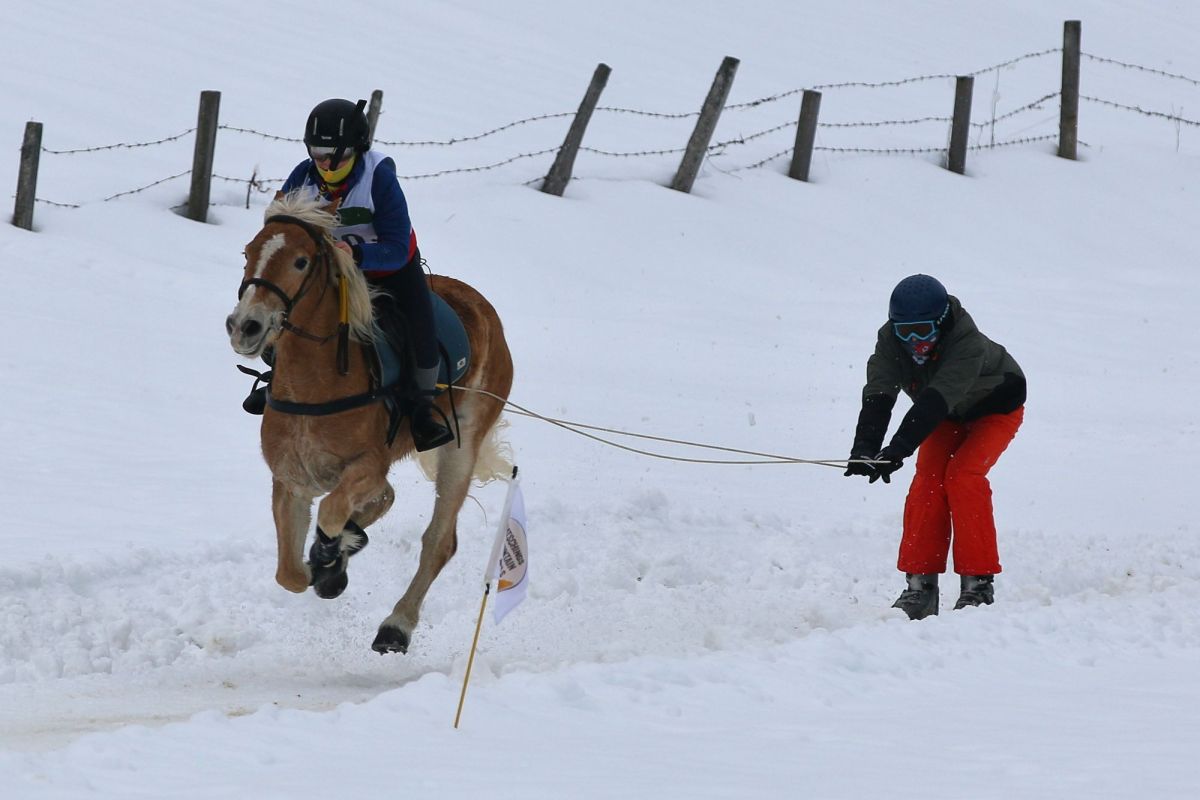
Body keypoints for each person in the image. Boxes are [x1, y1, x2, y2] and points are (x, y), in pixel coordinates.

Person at [245, 98, 453, 453]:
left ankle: (421, 410)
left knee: (419, 327)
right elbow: (282, 229)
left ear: (357, 150)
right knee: (289, 311)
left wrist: (357, 254)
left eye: (335, 157)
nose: (325, 164)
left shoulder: (379, 178)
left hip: (389, 269)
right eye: (318, 154)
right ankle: (278, 377)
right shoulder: (302, 177)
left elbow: (397, 246)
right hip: (330, 271)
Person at [844, 274, 1026, 620]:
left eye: (923, 331)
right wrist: (865, 448)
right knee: (927, 480)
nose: (915, 342)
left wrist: (897, 449)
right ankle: (920, 588)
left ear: (941, 323)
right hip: (948, 414)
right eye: (906, 332)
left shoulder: (965, 342)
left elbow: (933, 402)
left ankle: (977, 586)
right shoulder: (890, 342)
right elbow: (879, 393)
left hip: (995, 409)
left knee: (962, 477)